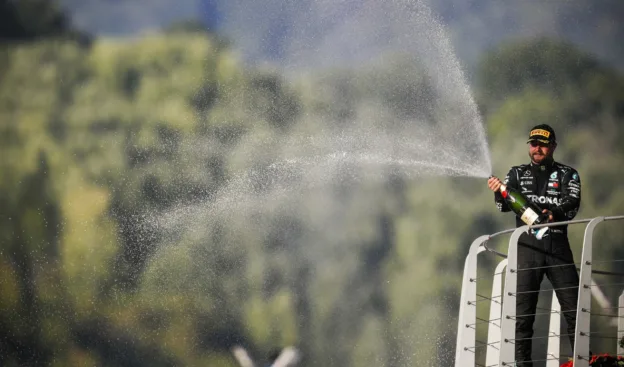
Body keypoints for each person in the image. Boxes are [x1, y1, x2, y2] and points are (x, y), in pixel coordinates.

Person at [487, 124, 582, 366]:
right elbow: (503, 206)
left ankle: (583, 362)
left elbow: (573, 202)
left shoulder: (568, 174)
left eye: (542, 143)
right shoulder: (516, 173)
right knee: (523, 315)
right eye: (533, 143)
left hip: (558, 245)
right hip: (527, 248)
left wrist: (554, 213)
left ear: (553, 146)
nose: (537, 148)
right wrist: (499, 192)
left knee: (576, 310)